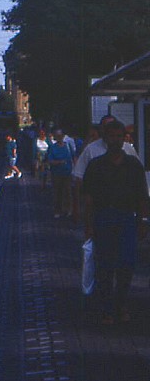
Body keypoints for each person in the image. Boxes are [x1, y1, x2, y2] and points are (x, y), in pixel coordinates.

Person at [82, 118, 150, 325]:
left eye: (119, 136)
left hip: (126, 218)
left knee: (127, 264)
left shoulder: (133, 165)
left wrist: (144, 220)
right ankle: (107, 308)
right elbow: (88, 198)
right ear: (105, 138)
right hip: (103, 218)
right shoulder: (96, 165)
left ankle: (121, 304)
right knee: (104, 265)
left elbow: (142, 195)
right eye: (111, 136)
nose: (115, 140)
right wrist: (88, 224)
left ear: (124, 139)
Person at [45, 130, 72, 219]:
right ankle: (57, 210)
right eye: (58, 136)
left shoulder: (68, 146)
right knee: (57, 192)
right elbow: (50, 160)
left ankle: (68, 210)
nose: (59, 138)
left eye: (61, 136)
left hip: (67, 172)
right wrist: (59, 162)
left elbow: (73, 157)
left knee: (68, 192)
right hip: (57, 173)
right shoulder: (52, 148)